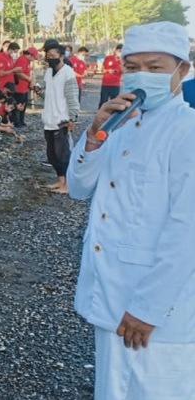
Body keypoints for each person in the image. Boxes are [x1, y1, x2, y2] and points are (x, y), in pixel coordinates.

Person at [67, 21, 195, 400]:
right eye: (133, 66)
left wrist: (148, 308)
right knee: (112, 389)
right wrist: (94, 134)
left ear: (181, 71)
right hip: (108, 292)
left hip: (157, 310)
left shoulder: (187, 131)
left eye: (155, 68)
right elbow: (78, 188)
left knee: (155, 389)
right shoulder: (121, 123)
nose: (141, 76)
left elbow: (187, 229)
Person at [39, 43, 79, 194]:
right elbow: (49, 95)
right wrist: (38, 91)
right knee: (52, 154)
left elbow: (72, 97)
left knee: (63, 154)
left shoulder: (68, 73)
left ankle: (67, 185)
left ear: (62, 56)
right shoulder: (48, 73)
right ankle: (60, 180)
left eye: (53, 57)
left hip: (61, 119)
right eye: (48, 57)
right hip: (49, 118)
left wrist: (72, 118)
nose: (50, 59)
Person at [13, 46, 38, 128]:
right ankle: (16, 121)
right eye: (34, 57)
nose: (34, 59)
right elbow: (19, 73)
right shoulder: (22, 60)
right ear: (30, 55)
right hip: (19, 87)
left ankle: (21, 120)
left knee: (23, 105)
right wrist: (29, 79)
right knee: (18, 105)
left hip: (24, 87)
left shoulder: (27, 61)